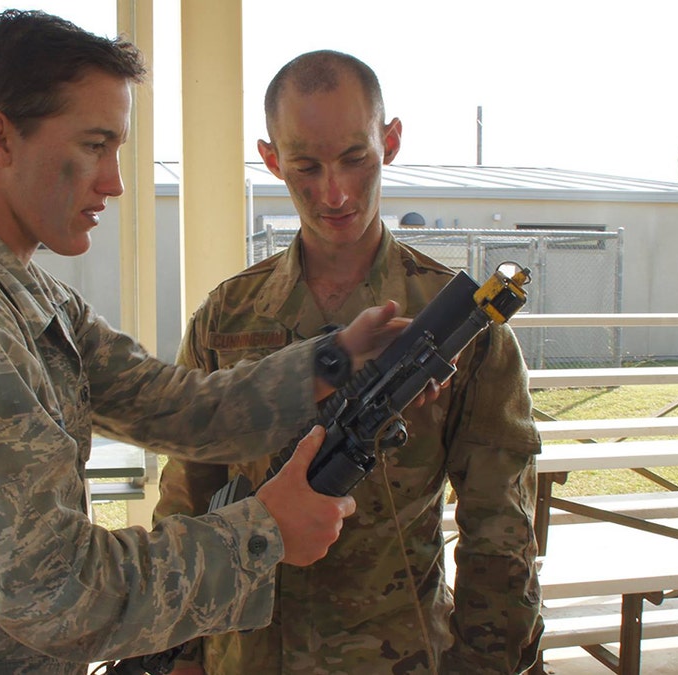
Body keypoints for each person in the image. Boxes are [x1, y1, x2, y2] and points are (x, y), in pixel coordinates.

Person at [0, 15, 414, 674]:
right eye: (95, 146)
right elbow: (55, 590)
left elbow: (179, 407)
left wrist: (337, 357)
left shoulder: (24, 295)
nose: (114, 181)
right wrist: (262, 534)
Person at [153, 51, 544, 675]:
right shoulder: (226, 320)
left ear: (389, 142)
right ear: (271, 158)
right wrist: (178, 651)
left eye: (355, 158)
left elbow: (500, 524)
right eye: (305, 165)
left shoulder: (459, 328)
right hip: (246, 656)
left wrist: (489, 662)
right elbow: (187, 498)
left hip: (397, 656)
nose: (333, 192)